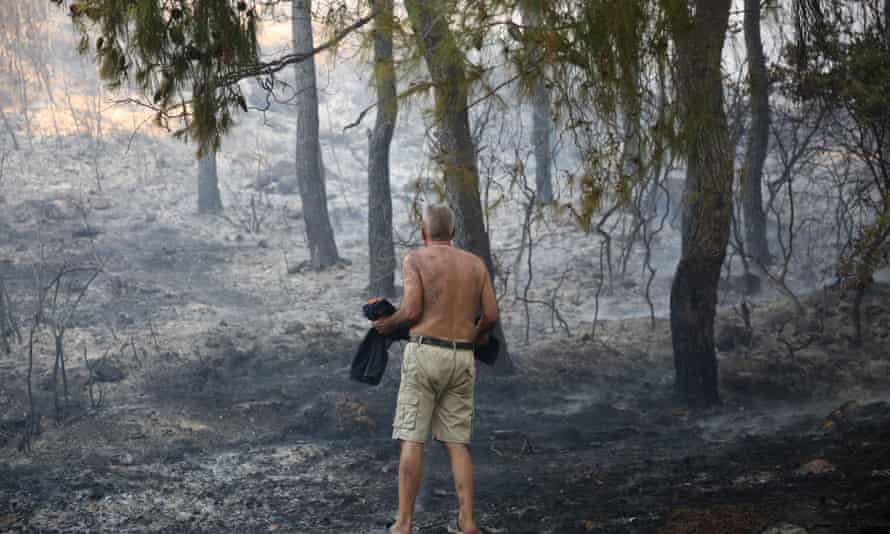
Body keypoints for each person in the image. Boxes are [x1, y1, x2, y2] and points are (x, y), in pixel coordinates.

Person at [372, 204, 499, 534]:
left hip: (426, 355)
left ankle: (403, 524)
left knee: (412, 439)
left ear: (424, 233)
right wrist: (477, 333)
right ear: (453, 234)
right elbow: (492, 315)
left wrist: (389, 324)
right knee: (457, 443)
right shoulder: (475, 264)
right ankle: (468, 523)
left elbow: (412, 310)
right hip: (462, 359)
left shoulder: (415, 258)